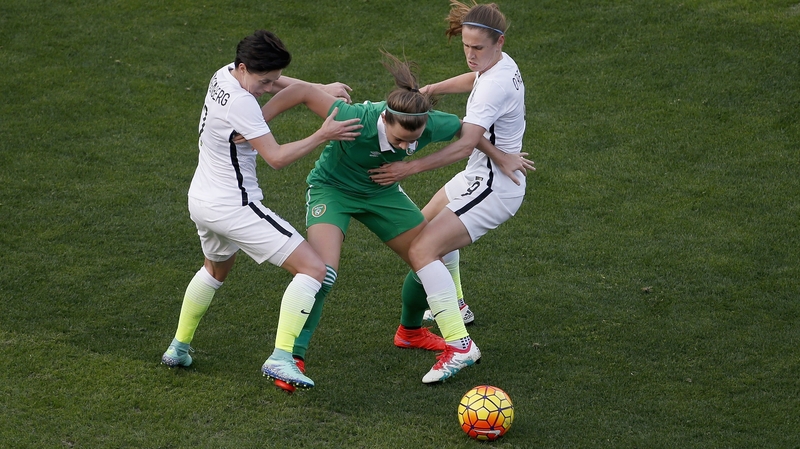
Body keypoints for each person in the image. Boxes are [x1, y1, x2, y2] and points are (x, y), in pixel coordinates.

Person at [256, 50, 530, 390]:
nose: (404, 146)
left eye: (412, 142)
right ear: (384, 119)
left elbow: (467, 133)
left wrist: (501, 156)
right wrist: (259, 122)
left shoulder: (430, 123)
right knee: (323, 272)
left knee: (428, 257)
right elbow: (301, 92)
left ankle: (411, 332)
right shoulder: (354, 118)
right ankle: (292, 357)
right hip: (333, 191)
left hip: (382, 193)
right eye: (399, 139)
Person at [160, 29, 362, 391]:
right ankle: (281, 357)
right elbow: (277, 158)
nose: (268, 88)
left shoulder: (223, 74)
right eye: (263, 82)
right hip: (234, 206)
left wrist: (315, 88)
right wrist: (323, 134)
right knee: (314, 269)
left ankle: (178, 347)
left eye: (272, 81)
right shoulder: (242, 103)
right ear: (244, 68)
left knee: (215, 270)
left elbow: (277, 79)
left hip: (201, 199)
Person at [368, 0, 529, 383]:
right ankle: (455, 302)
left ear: (499, 42)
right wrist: (431, 88)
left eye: (478, 48)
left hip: (494, 187)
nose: (471, 55)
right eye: (466, 46)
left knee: (422, 250)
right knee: (418, 233)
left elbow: (465, 141)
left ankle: (459, 346)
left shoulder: (495, 85)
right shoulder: (499, 66)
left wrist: (408, 167)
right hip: (479, 175)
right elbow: (475, 80)